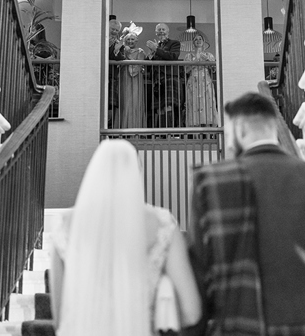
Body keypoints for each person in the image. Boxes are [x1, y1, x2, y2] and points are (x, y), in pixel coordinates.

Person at [188, 92, 305, 336]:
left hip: (235, 321)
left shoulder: (209, 180)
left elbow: (200, 265)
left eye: (228, 133)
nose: (228, 142)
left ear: (240, 129)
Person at [49, 140, 202, 336]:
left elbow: (60, 317)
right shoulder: (162, 224)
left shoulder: (64, 224)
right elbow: (192, 312)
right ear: (136, 174)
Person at [146, 23, 182, 128]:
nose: (161, 31)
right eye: (159, 30)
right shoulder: (156, 45)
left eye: (163, 29)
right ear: (156, 33)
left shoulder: (174, 43)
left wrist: (156, 49)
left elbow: (173, 56)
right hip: (157, 80)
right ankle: (162, 134)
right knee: (160, 108)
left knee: (168, 106)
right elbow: (149, 64)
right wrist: (151, 54)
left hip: (170, 77)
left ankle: (170, 133)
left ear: (168, 32)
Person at [184, 34, 218, 127]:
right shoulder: (189, 56)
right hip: (193, 81)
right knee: (193, 105)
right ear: (193, 43)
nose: (198, 41)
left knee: (208, 104)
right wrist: (194, 62)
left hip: (205, 81)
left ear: (203, 42)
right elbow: (186, 70)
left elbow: (214, 69)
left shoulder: (209, 55)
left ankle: (208, 133)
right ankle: (195, 135)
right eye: (196, 39)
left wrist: (207, 60)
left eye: (200, 39)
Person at [119, 29, 147, 128]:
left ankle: (136, 127)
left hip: (136, 79)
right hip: (124, 77)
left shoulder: (140, 51)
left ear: (136, 41)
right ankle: (124, 127)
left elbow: (137, 66)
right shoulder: (122, 50)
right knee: (125, 102)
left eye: (132, 39)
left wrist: (127, 58)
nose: (130, 41)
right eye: (128, 39)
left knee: (135, 101)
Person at [108, 19, 125, 127]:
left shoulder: (119, 43)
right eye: (112, 29)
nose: (114, 32)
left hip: (112, 76)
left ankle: (110, 128)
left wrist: (116, 50)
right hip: (98, 75)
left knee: (111, 104)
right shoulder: (99, 39)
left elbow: (121, 58)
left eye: (117, 30)